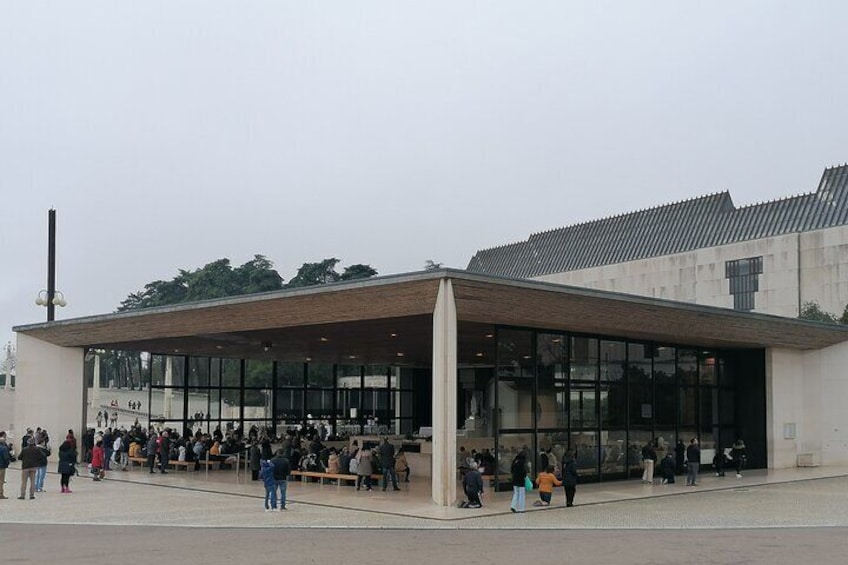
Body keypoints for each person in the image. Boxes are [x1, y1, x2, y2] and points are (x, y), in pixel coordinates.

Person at [0, 433, 12, 499]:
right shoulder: (4, 448)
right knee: (1, 481)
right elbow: (6, 458)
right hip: (2, 466)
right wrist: (7, 464)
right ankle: (1, 494)